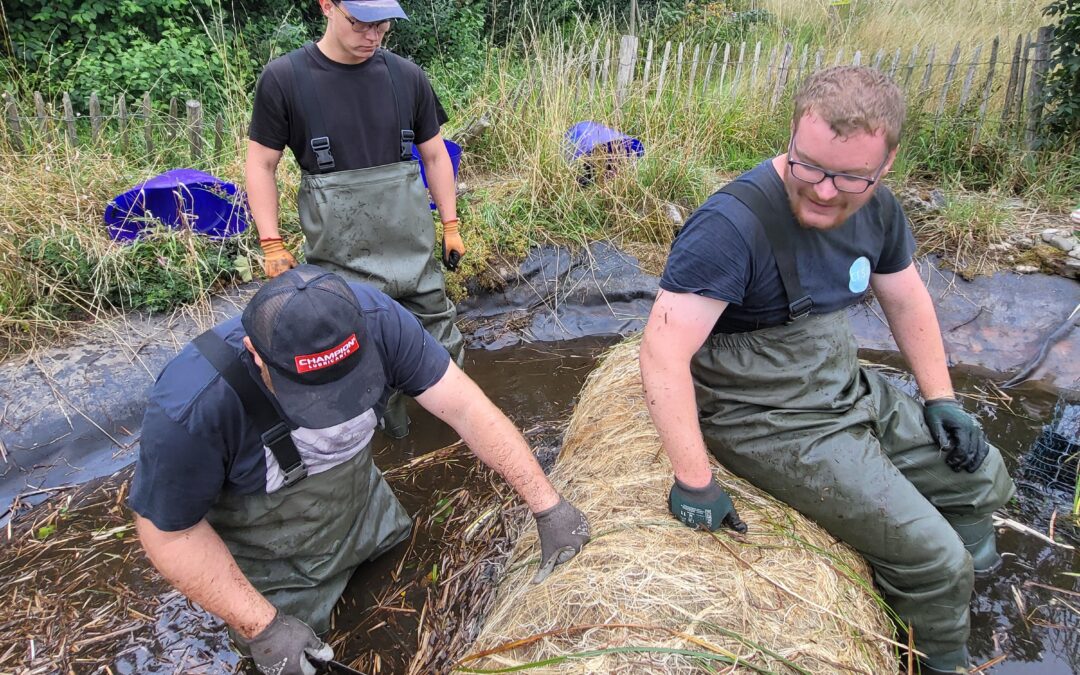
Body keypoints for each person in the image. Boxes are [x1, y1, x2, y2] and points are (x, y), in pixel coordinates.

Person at [639, 66, 1014, 675]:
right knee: (936, 560)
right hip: (766, 416)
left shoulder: (881, 210)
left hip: (842, 386)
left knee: (981, 475)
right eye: (809, 166)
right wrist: (694, 480)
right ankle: (937, 656)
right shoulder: (729, 226)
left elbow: (906, 298)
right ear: (792, 134)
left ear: (886, 165)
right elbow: (662, 351)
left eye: (849, 177)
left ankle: (980, 597)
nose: (822, 190)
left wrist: (941, 398)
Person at [128, 265, 590, 675]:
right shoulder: (194, 406)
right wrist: (261, 626)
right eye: (314, 397)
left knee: (398, 566)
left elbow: (466, 407)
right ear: (255, 354)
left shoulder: (380, 320)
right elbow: (169, 534)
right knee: (287, 651)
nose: (335, 408)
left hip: (361, 507)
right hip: (272, 556)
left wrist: (547, 506)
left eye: (349, 387)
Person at [246, 0, 465, 438]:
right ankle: (385, 444)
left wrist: (451, 225)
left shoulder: (407, 77)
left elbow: (435, 156)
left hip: (415, 259)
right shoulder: (286, 79)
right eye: (360, 23)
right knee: (360, 363)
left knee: (443, 349)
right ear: (327, 5)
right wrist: (271, 243)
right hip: (342, 270)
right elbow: (261, 164)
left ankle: (449, 441)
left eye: (382, 25)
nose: (372, 36)